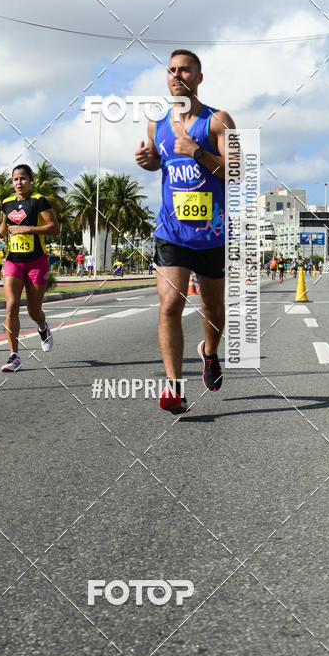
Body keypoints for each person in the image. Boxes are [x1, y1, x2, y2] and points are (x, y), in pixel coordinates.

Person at [135, 48, 235, 414]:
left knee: (212, 307)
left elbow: (237, 171)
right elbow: (161, 163)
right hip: (171, 232)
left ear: (199, 77)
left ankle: (210, 352)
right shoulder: (155, 122)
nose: (177, 76)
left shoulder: (218, 121)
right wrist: (149, 163)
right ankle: (174, 387)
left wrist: (199, 153)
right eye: (171, 70)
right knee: (171, 304)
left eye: (185, 70)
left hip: (212, 234)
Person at [0, 164, 59, 372]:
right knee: (11, 306)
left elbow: (54, 228)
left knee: (33, 311)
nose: (19, 183)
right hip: (13, 261)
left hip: (36, 261)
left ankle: (43, 327)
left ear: (31, 180)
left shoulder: (39, 201)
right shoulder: (7, 203)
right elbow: (3, 228)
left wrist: (27, 228)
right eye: (15, 179)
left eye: (23, 178)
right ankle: (14, 356)